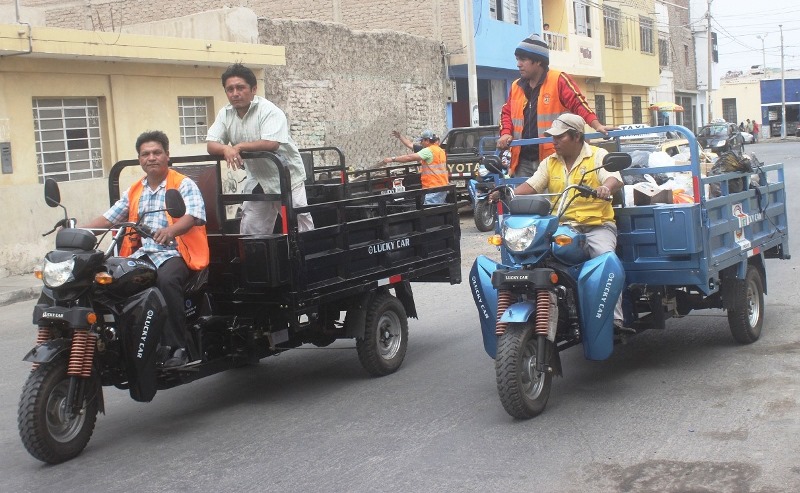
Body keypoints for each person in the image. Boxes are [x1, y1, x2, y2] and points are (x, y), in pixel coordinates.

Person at [82, 131, 209, 368]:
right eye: (146, 154)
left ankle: (177, 347)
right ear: (140, 159)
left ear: (167, 156)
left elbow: (193, 216)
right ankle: (119, 342)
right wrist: (79, 232)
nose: (151, 157)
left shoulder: (182, 184)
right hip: (143, 255)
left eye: (156, 152)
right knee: (106, 281)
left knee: (166, 280)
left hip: (177, 253)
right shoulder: (134, 191)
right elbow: (110, 218)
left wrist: (171, 231)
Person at [491, 113, 628, 331]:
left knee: (606, 261)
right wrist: (508, 193)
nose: (553, 142)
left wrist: (605, 188)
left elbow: (613, 178)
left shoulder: (597, 155)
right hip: (562, 227)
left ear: (576, 136)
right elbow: (533, 185)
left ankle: (613, 318)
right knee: (530, 259)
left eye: (559, 137)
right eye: (552, 137)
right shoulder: (550, 162)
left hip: (596, 226)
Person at [206, 63, 313, 234]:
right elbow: (211, 144)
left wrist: (238, 147)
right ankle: (256, 260)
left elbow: (271, 143)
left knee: (300, 227)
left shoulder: (269, 111)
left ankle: (308, 259)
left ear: (253, 89)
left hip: (286, 177)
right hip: (257, 178)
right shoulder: (225, 114)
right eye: (230, 89)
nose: (235, 93)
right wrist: (226, 149)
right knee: (251, 231)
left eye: (240, 88)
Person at [497, 32, 610, 178]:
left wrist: (597, 126)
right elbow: (506, 112)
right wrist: (505, 132)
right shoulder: (515, 86)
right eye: (518, 59)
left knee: (554, 201)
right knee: (523, 201)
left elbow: (578, 103)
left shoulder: (559, 80)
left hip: (554, 159)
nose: (518, 64)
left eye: (523, 60)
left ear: (538, 61)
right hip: (522, 162)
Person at [380, 129, 449, 204]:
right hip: (442, 185)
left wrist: (392, 159)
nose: (420, 143)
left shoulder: (428, 151)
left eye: (421, 141)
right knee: (439, 209)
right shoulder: (440, 150)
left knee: (431, 212)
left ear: (427, 140)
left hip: (433, 187)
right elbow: (410, 144)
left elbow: (409, 157)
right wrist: (400, 137)